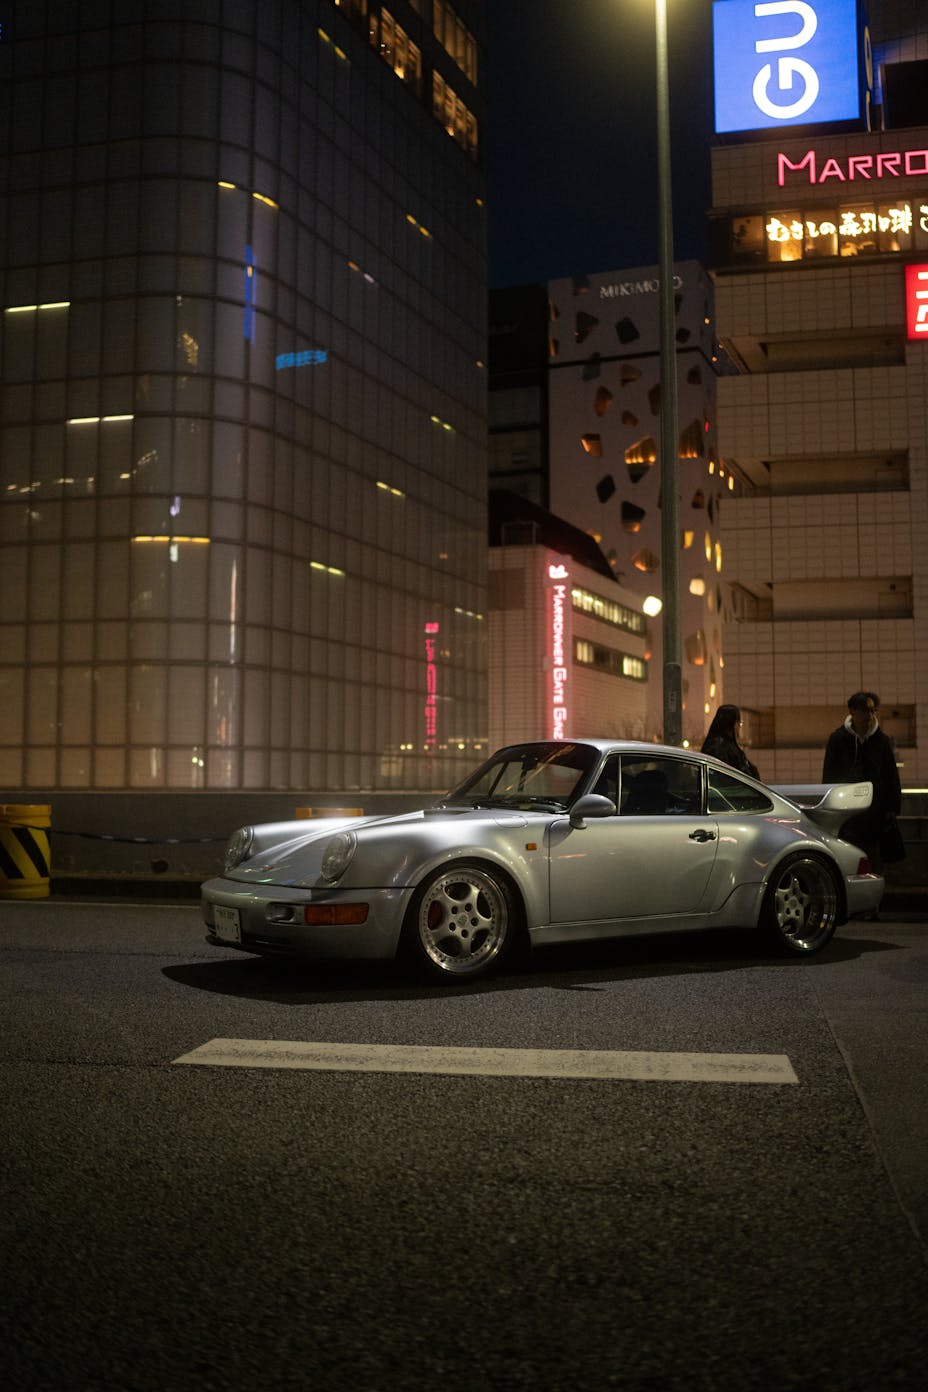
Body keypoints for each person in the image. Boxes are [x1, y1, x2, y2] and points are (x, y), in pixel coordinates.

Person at [822, 691, 902, 873]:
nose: (870, 715)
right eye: (866, 711)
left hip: (875, 812)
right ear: (852, 711)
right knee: (848, 860)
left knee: (874, 862)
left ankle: (874, 899)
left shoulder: (881, 741)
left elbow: (891, 775)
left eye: (873, 711)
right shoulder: (838, 739)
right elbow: (829, 775)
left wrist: (892, 808)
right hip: (847, 813)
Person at [701, 704, 759, 778]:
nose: (739, 728)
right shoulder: (725, 749)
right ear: (734, 724)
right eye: (739, 723)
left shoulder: (712, 745)